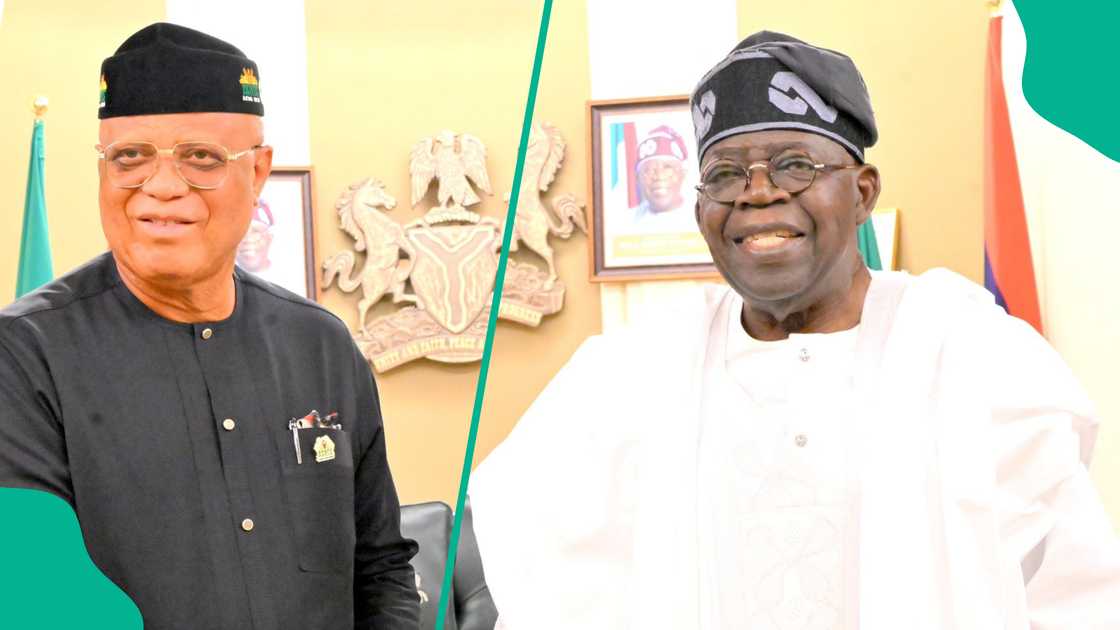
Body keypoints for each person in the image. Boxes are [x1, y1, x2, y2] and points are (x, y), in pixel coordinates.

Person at [470, 31, 1120, 629]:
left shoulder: (972, 355)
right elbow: (544, 577)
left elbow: (1072, 596)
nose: (756, 193)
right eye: (726, 174)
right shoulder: (631, 374)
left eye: (794, 165)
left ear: (862, 192)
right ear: (700, 211)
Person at [0, 23, 419, 629]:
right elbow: (39, 598)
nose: (162, 188)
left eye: (202, 159)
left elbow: (381, 569)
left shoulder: (322, 346)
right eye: (129, 157)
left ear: (258, 171)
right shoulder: (24, 354)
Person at [624, 125, 696, 233]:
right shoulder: (624, 224)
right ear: (637, 178)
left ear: (683, 174)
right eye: (648, 170)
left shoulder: (701, 220)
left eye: (667, 167)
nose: (659, 176)